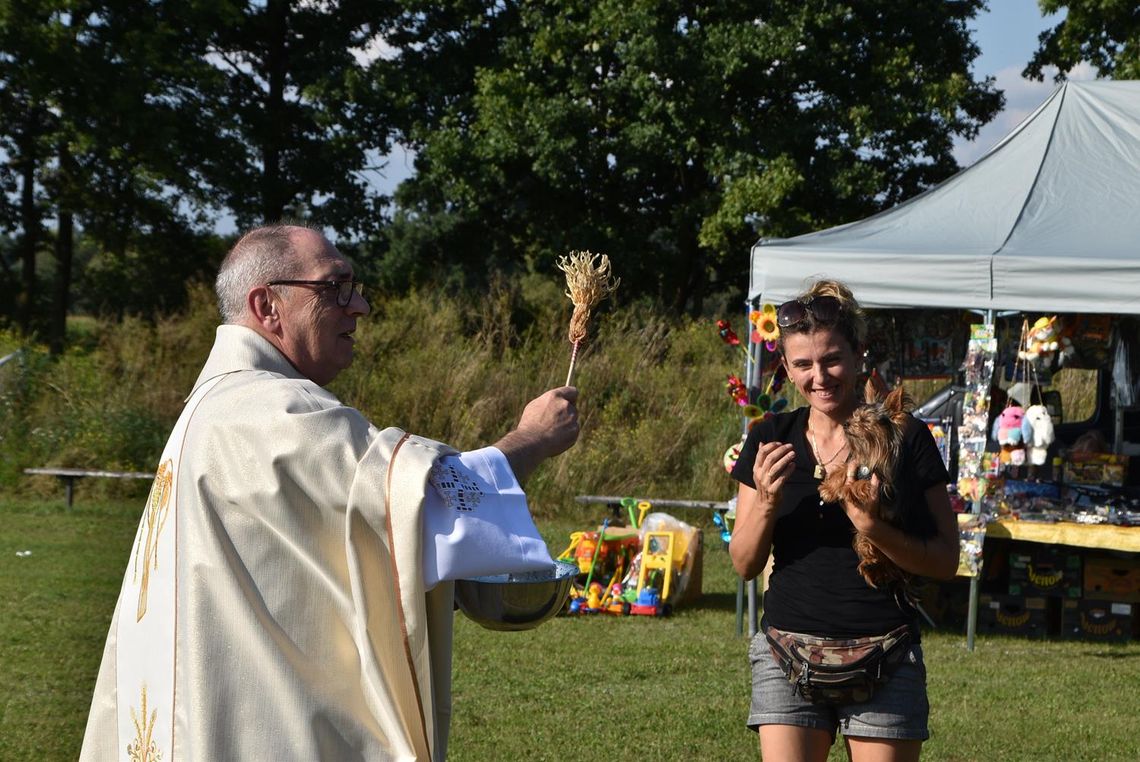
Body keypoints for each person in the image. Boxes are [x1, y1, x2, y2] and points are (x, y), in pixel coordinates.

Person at [79, 224, 579, 761]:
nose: (359, 305)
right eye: (334, 287)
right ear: (267, 305)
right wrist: (532, 439)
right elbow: (423, 504)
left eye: (355, 286)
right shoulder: (274, 413)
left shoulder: (219, 405)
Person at [729, 280, 958, 762]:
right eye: (804, 364)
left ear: (858, 356)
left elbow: (944, 561)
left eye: (832, 359)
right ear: (787, 370)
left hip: (886, 652)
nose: (821, 376)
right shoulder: (770, 438)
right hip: (786, 653)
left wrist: (873, 528)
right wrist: (768, 502)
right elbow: (745, 564)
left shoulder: (906, 438)